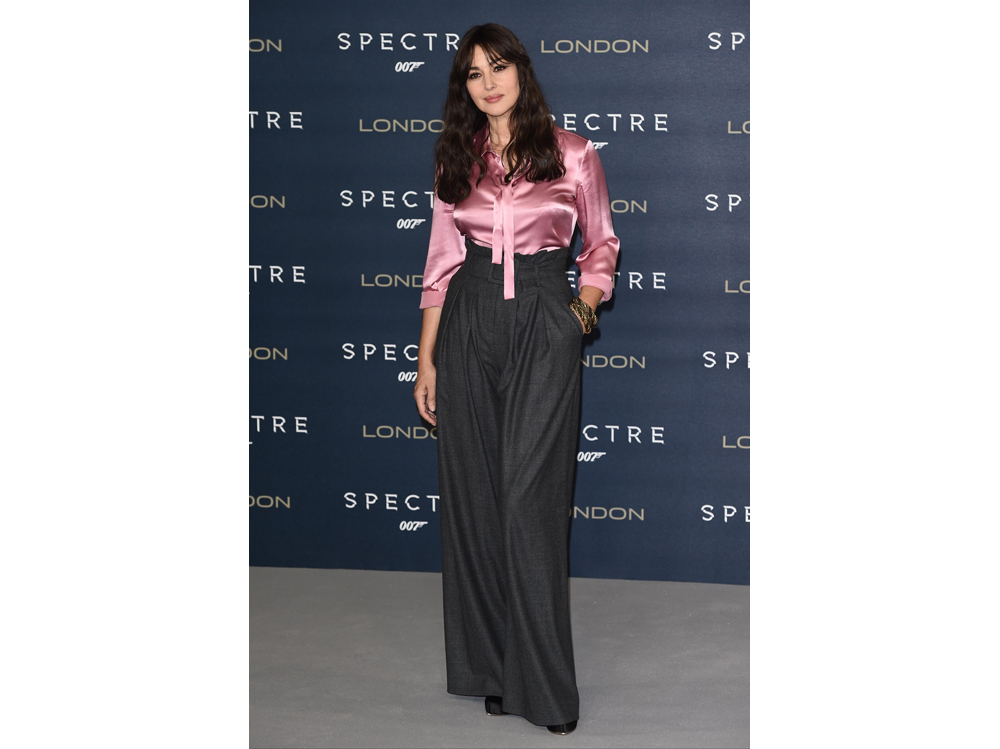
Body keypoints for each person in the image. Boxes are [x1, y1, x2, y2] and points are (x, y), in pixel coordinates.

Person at [413, 22, 620, 737]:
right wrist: (426, 359)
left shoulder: (573, 152)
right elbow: (440, 263)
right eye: (474, 73)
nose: (489, 83)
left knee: (529, 502)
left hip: (541, 317)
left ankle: (545, 688)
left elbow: (601, 245)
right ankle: (493, 670)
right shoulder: (457, 157)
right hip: (468, 319)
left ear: (521, 72)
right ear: (464, 88)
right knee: (475, 498)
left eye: (498, 67)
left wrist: (578, 315)